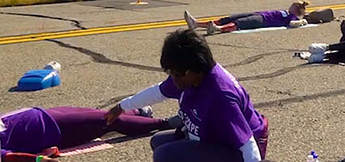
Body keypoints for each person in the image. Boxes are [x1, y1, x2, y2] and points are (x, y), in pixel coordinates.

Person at [104, 29, 269, 162]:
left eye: (175, 74)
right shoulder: (190, 76)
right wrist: (121, 107)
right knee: (158, 141)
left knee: (165, 155)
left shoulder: (220, 97)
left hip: (237, 149)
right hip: (214, 137)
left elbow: (247, 144)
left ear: (190, 72)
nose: (172, 79)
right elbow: (157, 92)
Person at [0, 106, 165, 162]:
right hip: (52, 129)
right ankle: (164, 122)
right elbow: (8, 158)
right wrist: (38, 159)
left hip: (45, 113)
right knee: (109, 120)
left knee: (101, 114)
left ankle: (139, 111)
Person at [183, 1, 310, 35]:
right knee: (230, 18)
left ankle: (217, 29)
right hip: (258, 14)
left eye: (292, 5)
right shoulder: (286, 12)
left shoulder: (292, 17)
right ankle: (196, 24)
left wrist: (302, 21)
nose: (290, 6)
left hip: (263, 21)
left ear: (296, 9)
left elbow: (293, 24)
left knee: (239, 23)